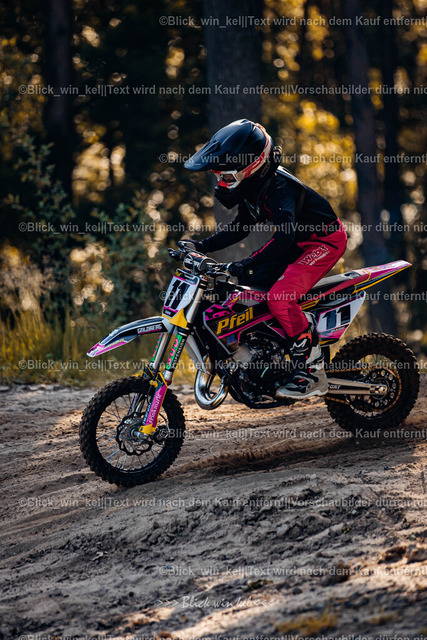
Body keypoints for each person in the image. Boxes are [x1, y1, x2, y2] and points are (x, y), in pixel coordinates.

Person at [183, 119, 347, 399]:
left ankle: (313, 371)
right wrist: (201, 246)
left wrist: (246, 262)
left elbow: (283, 238)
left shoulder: (280, 189)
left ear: (251, 168)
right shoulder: (254, 187)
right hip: (296, 243)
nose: (222, 184)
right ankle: (270, 360)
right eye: (219, 177)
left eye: (227, 178)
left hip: (323, 241)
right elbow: (240, 227)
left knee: (280, 297)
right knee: (249, 291)